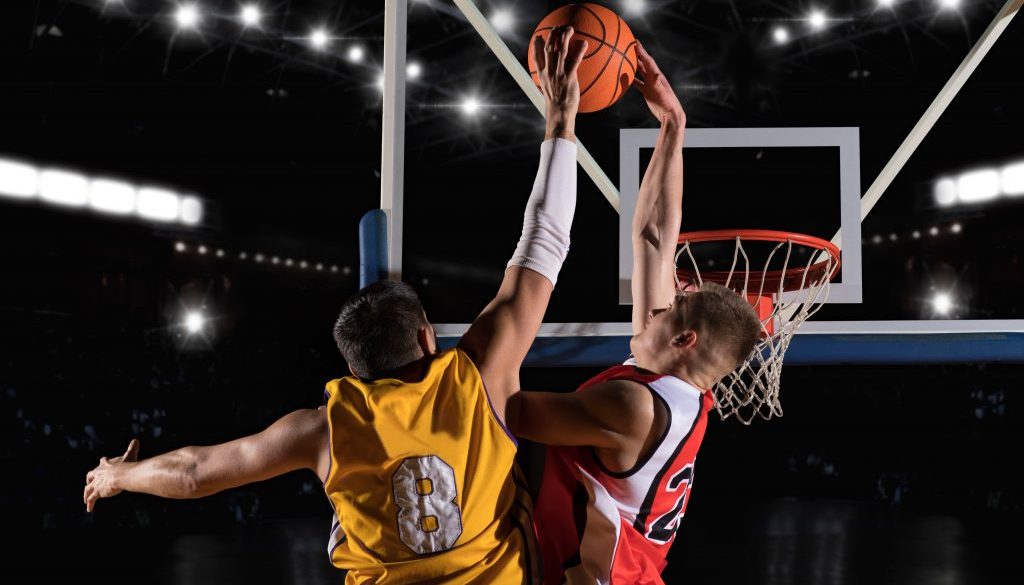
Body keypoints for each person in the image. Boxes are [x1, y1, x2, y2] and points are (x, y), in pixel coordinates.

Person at [84, 28, 589, 584]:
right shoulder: (479, 377)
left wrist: (118, 477)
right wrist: (561, 122)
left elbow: (195, 471)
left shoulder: (325, 429)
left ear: (353, 369)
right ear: (428, 337)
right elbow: (545, 238)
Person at [506, 44, 762, 585]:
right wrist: (673, 123)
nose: (655, 308)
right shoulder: (675, 390)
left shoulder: (631, 406)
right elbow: (652, 239)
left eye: (671, 308)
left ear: (685, 339)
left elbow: (511, 411)